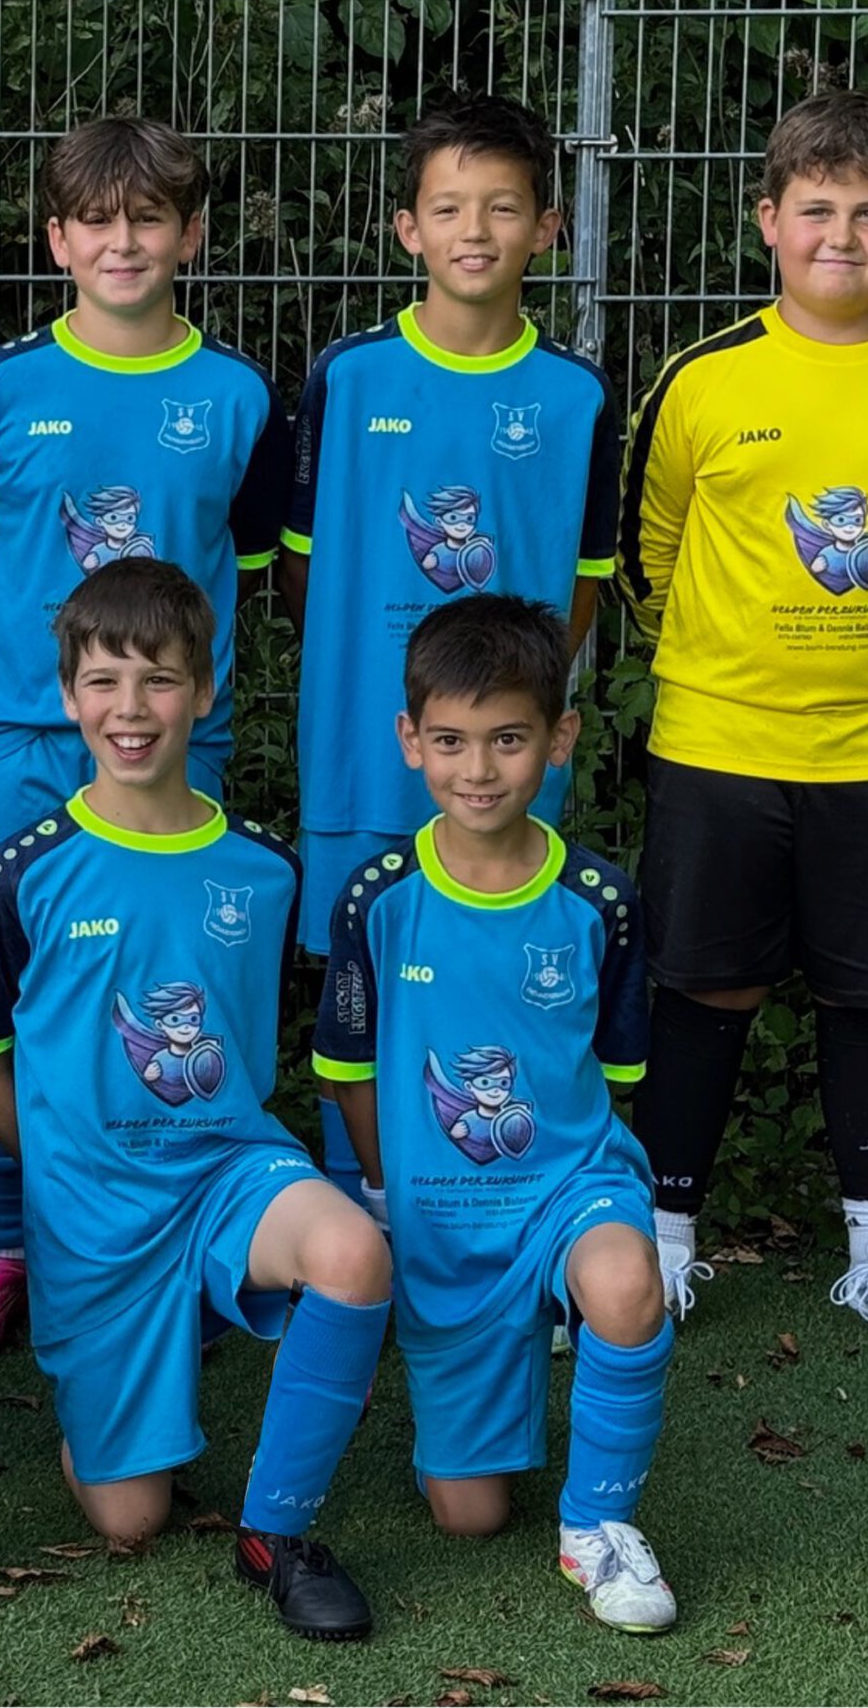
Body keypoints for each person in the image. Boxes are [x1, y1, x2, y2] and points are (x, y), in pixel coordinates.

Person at [619, 88, 868, 1347]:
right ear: (767, 220)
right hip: (719, 744)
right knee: (703, 989)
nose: (839, 236)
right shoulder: (703, 380)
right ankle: (662, 1249)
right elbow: (642, 553)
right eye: (814, 209)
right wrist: (733, 658)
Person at [0, 558, 391, 1642]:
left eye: (158, 679)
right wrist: (62, 1165)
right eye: (103, 681)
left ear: (205, 687)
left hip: (230, 1170)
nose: (130, 708)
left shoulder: (265, 868)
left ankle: (276, 1532)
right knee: (130, 1520)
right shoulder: (18, 875)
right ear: (66, 696)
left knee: (352, 1253)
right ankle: (139, 1367)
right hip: (95, 1210)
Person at [0, 115, 291, 1352]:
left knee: (164, 982)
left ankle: (177, 1216)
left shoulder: (237, 394)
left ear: (190, 235)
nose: (121, 242)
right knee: (19, 980)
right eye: (96, 220)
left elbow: (247, 566)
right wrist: (41, 682)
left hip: (175, 740)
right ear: (57, 240)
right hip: (23, 732)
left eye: (147, 218)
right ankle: (7, 1236)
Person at [277, 93, 618, 1202]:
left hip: (498, 758)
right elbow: (300, 568)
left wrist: (509, 698)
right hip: (364, 747)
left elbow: (584, 582)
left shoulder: (575, 395)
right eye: (449, 207)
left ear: (548, 227)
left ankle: (498, 1201)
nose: (476, 230)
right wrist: (360, 679)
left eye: (504, 207)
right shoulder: (348, 377)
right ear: (407, 229)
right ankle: (363, 1204)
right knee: (357, 974)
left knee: (493, 977)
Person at [314, 593, 676, 1635]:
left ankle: (598, 1525)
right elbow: (347, 1073)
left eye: (509, 739)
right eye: (451, 741)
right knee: (468, 1516)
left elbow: (614, 1073)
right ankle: (496, 1389)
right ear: (409, 740)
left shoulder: (599, 899)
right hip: (441, 1223)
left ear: (559, 738)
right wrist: (385, 1194)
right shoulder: (377, 897)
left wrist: (581, 1185)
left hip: (567, 1186)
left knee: (625, 1281)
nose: (478, 768)